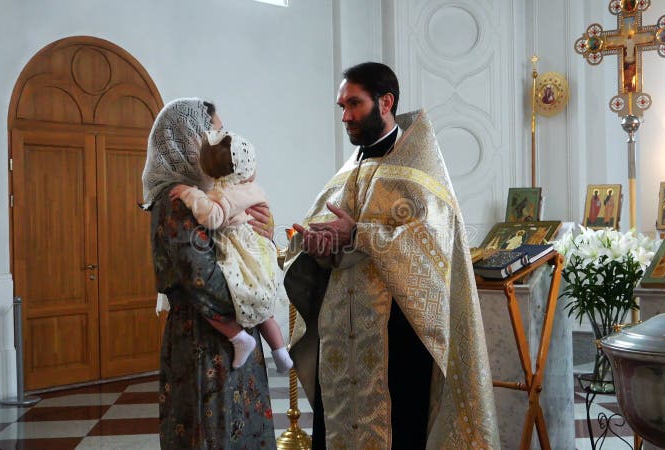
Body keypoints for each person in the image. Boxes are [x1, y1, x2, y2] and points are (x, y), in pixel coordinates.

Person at [283, 62, 500, 449]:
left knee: (400, 428)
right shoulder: (349, 172)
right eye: (342, 107)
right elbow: (323, 237)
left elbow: (428, 244)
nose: (346, 116)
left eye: (354, 104)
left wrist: (360, 234)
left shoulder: (421, 172)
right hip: (341, 332)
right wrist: (315, 248)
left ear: (386, 103)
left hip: (397, 332)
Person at [141, 98, 276, 449]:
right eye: (213, 133)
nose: (220, 143)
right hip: (205, 343)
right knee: (212, 434)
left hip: (230, 336)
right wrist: (253, 292)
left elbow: (240, 250)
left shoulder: (207, 197)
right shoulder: (176, 200)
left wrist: (263, 237)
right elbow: (202, 279)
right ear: (186, 139)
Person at [168, 129, 293, 373]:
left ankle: (239, 338)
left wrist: (190, 193)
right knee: (263, 313)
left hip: (241, 256)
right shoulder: (247, 189)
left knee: (210, 302)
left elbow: (213, 218)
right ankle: (280, 352)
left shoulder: (230, 192)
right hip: (256, 255)